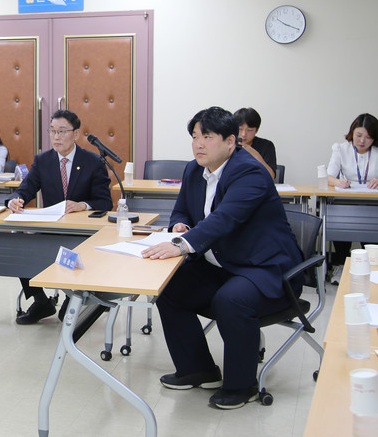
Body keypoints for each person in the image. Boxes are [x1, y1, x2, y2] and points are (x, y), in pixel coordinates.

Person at [141, 107, 302, 410]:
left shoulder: (249, 172)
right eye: (195, 137)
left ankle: (242, 386)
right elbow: (182, 209)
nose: (198, 144)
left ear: (230, 141)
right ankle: (198, 370)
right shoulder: (194, 170)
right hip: (222, 263)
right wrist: (179, 225)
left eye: (207, 137)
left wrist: (184, 244)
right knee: (169, 287)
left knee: (231, 299)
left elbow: (226, 218)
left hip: (263, 268)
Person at [6, 109, 112, 325]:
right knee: (21, 250)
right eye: (52, 131)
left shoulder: (93, 161)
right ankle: (40, 301)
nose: (56, 137)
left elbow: (105, 202)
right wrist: (14, 200)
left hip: (81, 234)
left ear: (76, 134)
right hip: (51, 230)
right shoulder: (43, 160)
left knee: (67, 317)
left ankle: (72, 297)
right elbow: (26, 189)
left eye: (62, 131)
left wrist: (83, 205)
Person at [326, 113, 378, 266]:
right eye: (359, 135)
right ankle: (340, 265)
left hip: (373, 205)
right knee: (340, 228)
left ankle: (372, 268)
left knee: (371, 246)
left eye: (368, 137)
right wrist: (338, 182)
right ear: (352, 133)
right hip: (345, 203)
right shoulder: (341, 149)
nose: (362, 141)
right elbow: (328, 177)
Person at [233, 107, 276, 180]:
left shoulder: (266, 145)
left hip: (257, 184)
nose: (243, 134)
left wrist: (256, 155)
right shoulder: (228, 144)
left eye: (249, 130)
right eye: (240, 129)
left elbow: (271, 176)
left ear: (256, 130)